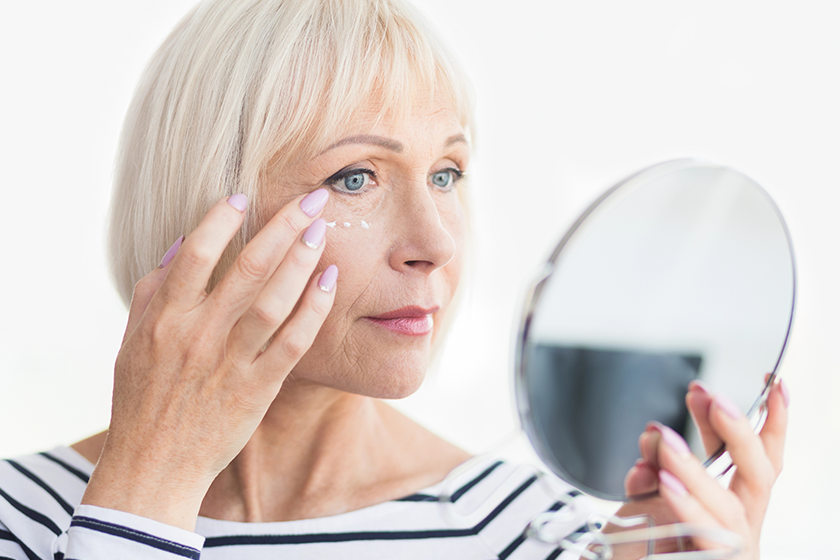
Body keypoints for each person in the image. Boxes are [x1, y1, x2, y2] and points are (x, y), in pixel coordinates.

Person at [0, 0, 789, 558]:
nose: (436, 243)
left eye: (447, 173)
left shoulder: (540, 537)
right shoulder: (21, 519)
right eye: (356, 178)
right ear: (204, 211)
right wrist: (145, 492)